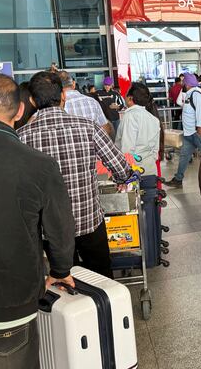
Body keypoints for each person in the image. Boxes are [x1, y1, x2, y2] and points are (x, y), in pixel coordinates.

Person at [0, 73, 75, 369]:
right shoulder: (38, 165)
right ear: (21, 110)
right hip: (9, 306)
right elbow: (60, 230)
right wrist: (61, 270)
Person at [18, 71, 133, 278]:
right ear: (63, 95)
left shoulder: (21, 137)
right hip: (89, 221)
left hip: (51, 231)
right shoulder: (88, 127)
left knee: (64, 281)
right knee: (101, 278)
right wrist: (121, 179)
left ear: (33, 101)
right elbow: (121, 168)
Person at [163, 73, 201, 188]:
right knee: (184, 155)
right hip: (189, 133)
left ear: (188, 84)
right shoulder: (188, 94)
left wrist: (199, 129)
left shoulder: (196, 94)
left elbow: (200, 111)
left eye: (184, 82)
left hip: (198, 132)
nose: (182, 83)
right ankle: (178, 179)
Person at [115, 83, 161, 176]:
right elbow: (155, 150)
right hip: (150, 169)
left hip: (133, 172)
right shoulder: (154, 119)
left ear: (130, 98)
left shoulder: (130, 116)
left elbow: (127, 149)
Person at [60, 71, 114, 139]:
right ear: (73, 84)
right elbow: (106, 129)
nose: (107, 86)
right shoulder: (92, 101)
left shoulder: (57, 105)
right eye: (106, 85)